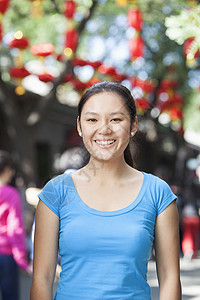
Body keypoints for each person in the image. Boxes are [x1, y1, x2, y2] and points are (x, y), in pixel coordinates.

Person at [30, 81, 182, 300]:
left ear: (133, 126)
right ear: (80, 126)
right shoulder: (56, 192)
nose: (104, 129)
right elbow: (42, 279)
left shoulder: (158, 193)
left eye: (116, 119)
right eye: (92, 119)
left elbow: (169, 278)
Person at [0, 150, 29, 300]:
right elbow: (14, 229)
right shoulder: (10, 194)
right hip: (5, 256)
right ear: (6, 170)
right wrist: (22, 261)